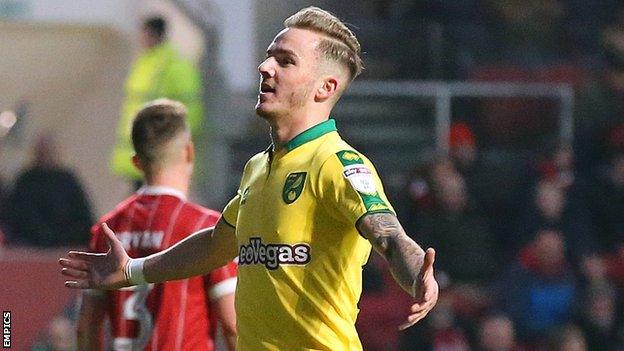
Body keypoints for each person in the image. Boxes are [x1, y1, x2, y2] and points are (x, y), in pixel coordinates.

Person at [61, 7, 439, 350]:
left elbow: (387, 234)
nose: (265, 67)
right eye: (270, 55)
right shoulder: (258, 166)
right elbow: (216, 244)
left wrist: (418, 275)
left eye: (285, 61)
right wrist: (132, 270)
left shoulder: (337, 163)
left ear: (325, 88)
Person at [76, 99, 237, 350]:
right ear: (189, 152)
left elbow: (86, 326)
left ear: (136, 162)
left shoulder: (107, 230)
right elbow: (233, 326)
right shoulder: (208, 228)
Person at [111, 16, 204, 188]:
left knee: (153, 201)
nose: (141, 39)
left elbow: (190, 109)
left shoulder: (174, 67)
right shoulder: (144, 63)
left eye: (144, 33)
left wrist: (177, 142)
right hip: (141, 148)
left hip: (157, 150)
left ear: (154, 35)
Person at [5, 134, 94, 247]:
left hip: (66, 245)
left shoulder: (67, 180)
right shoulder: (26, 181)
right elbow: (18, 215)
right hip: (30, 246)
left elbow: (83, 217)